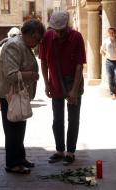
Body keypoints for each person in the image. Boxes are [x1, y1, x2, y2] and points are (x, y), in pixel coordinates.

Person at [0, 19, 45, 174]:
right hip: (10, 94)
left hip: (19, 94)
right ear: (28, 34)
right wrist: (31, 75)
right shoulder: (14, 45)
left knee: (19, 127)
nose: (38, 42)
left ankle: (20, 157)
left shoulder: (24, 44)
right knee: (12, 130)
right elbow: (11, 75)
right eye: (37, 39)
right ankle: (12, 163)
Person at [39, 11, 86, 165]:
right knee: (57, 119)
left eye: (61, 30)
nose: (58, 33)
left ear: (67, 26)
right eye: (56, 30)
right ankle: (59, 150)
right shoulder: (47, 37)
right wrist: (46, 84)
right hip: (55, 82)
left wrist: (74, 90)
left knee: (73, 119)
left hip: (74, 81)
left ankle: (70, 152)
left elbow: (79, 65)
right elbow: (44, 61)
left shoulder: (76, 37)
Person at [100, 27, 116, 99]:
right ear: (108, 33)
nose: (112, 34)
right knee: (110, 77)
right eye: (110, 33)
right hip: (109, 62)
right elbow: (101, 50)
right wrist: (106, 55)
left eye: (113, 32)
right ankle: (112, 93)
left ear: (115, 33)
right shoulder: (106, 41)